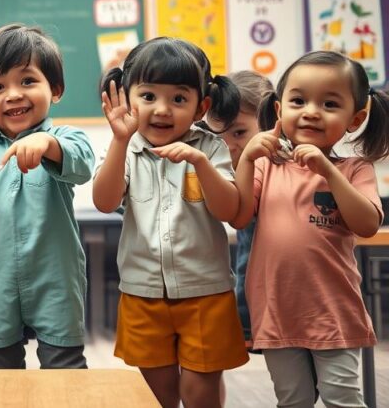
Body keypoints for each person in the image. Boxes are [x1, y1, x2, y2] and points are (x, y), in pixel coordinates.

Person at [93, 36, 247, 408]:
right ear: (128, 98)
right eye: (148, 96)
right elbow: (104, 201)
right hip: (142, 293)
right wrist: (118, 140)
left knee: (200, 392)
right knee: (158, 395)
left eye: (178, 99)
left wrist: (200, 163)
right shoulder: (126, 146)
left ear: (200, 107)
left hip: (205, 292)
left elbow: (229, 211)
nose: (162, 109)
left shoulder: (210, 147)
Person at [233, 51, 388, 407]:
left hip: (333, 311)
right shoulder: (267, 167)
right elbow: (238, 216)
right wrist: (245, 159)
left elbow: (366, 224)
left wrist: (328, 172)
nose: (311, 111)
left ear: (356, 118)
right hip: (277, 311)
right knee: (292, 400)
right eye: (298, 100)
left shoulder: (354, 168)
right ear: (278, 110)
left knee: (342, 398)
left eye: (329, 103)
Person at [0, 24, 95, 369]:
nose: (13, 95)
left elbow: (83, 165)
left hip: (56, 279)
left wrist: (47, 144)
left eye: (27, 81)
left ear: (54, 89)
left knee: (65, 368)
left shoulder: (65, 137)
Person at [206, 70, 273, 350]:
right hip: (255, 292)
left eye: (239, 132)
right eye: (217, 137)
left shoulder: (293, 164)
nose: (229, 146)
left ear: (272, 118)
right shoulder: (232, 171)